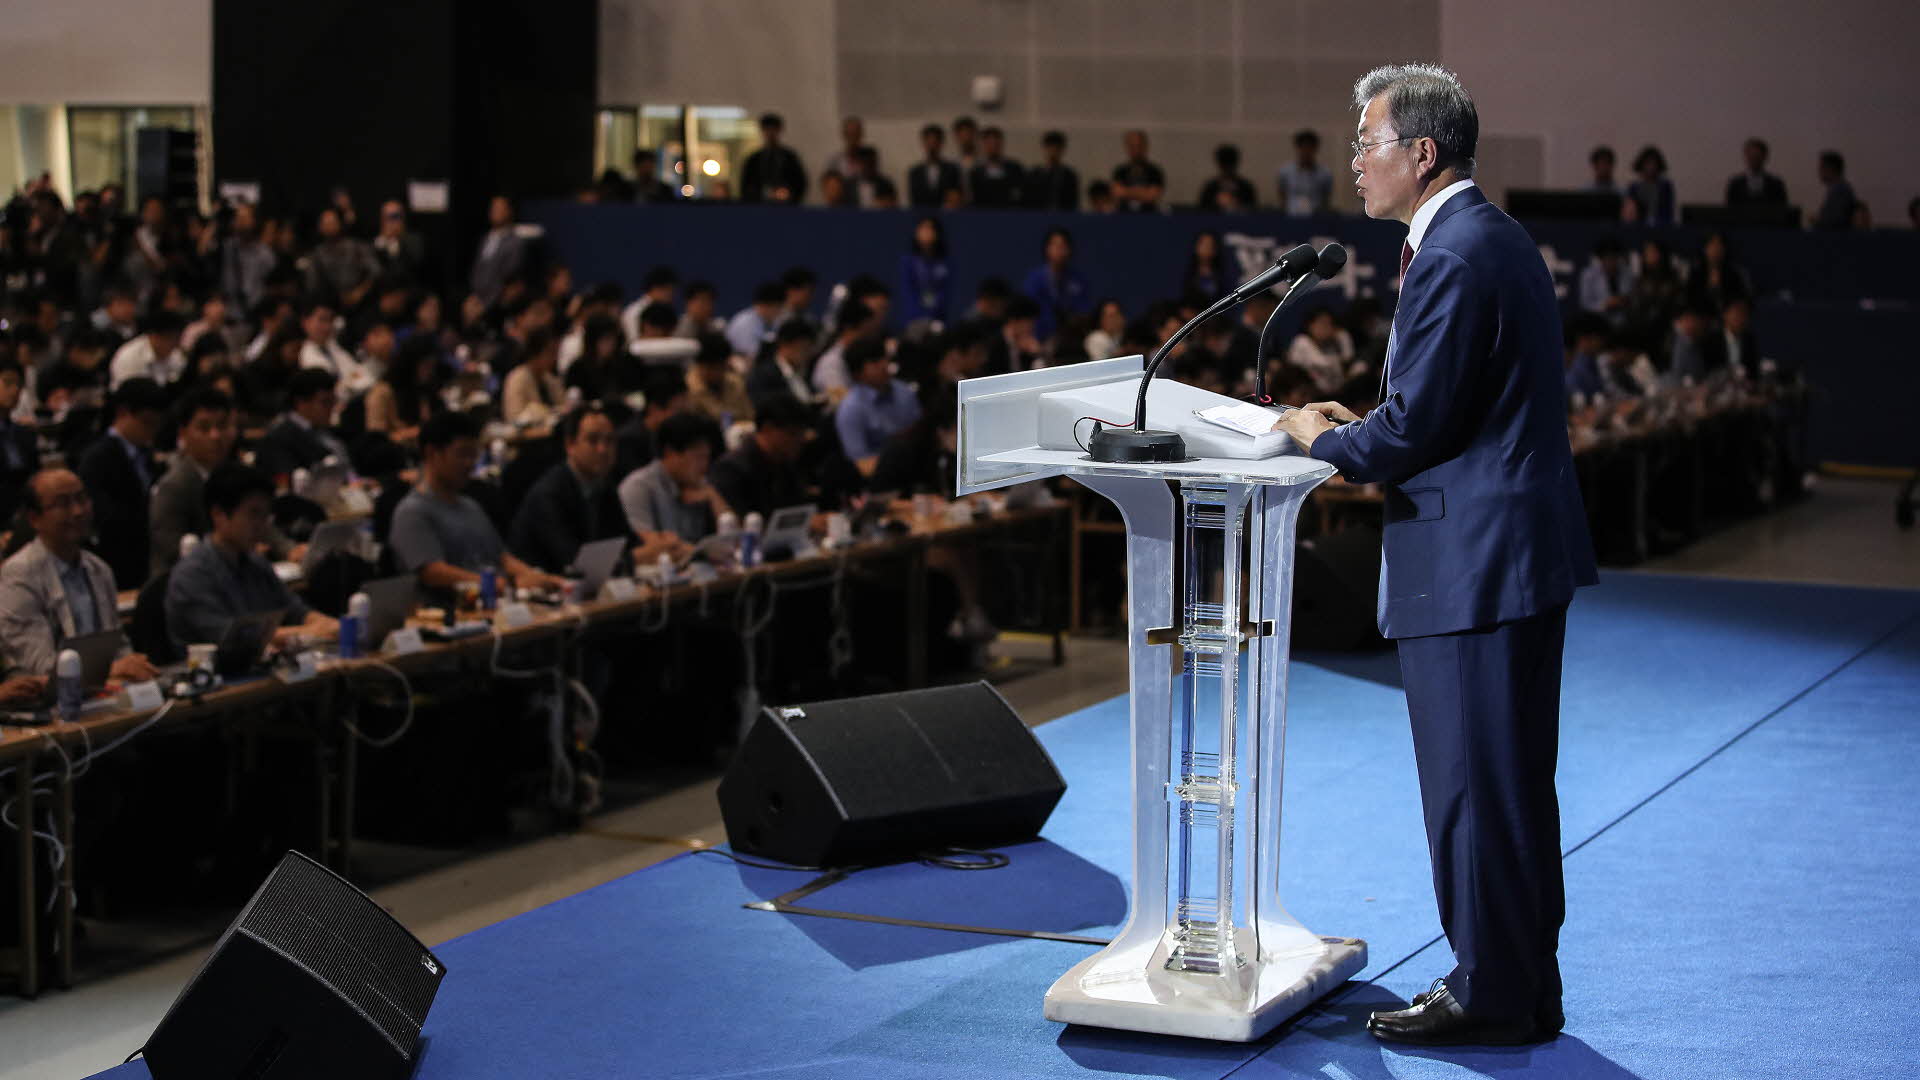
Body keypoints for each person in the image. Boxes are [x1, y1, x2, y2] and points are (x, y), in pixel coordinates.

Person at [1271, 63, 1596, 1047]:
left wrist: (1318, 438)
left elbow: (1413, 436)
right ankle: (1522, 985)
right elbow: (1452, 410)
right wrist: (1365, 422)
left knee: (1471, 789)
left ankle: (1489, 992)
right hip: (1507, 550)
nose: (1354, 164)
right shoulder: (1483, 238)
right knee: (1506, 786)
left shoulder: (1451, 253)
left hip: (1473, 562)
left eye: (1367, 144)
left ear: (1421, 153)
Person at [0, 468, 158, 682]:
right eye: (63, 503)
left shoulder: (98, 569)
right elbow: (40, 666)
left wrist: (134, 666)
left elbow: (117, 647)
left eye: (82, 499)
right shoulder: (19, 575)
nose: (77, 511)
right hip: (44, 705)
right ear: (35, 518)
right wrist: (112, 669)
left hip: (107, 694)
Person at [165, 463, 337, 652]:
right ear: (219, 515)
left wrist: (327, 624)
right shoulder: (192, 576)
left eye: (266, 515)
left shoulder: (256, 563)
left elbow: (295, 610)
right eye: (253, 514)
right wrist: (309, 631)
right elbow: (232, 639)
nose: (262, 525)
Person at [390, 412, 567, 591]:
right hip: (451, 610)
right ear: (432, 453)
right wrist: (503, 585)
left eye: (474, 454)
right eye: (462, 453)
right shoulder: (412, 512)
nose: (470, 463)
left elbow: (501, 558)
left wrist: (534, 576)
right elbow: (433, 573)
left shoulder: (470, 506)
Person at [508, 406, 632, 574]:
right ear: (570, 445)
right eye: (593, 440)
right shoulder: (549, 493)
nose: (603, 450)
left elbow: (626, 539)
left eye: (609, 441)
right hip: (543, 589)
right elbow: (573, 562)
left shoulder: (604, 484)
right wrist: (633, 557)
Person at [75, 377, 167, 589]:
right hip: (118, 560)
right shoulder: (97, 458)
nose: (151, 431)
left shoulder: (149, 455)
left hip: (148, 552)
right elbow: (101, 517)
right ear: (123, 413)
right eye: (146, 422)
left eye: (156, 424)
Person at [149, 387, 238, 579]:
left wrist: (288, 549)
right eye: (204, 428)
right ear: (183, 433)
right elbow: (171, 548)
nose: (215, 436)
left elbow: (263, 525)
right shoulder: (173, 486)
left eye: (222, 426)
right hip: (182, 584)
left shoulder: (236, 475)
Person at [619, 411, 730, 555]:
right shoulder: (638, 487)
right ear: (670, 453)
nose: (705, 466)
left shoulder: (700, 485)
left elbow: (732, 540)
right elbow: (653, 547)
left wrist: (713, 496)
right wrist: (703, 554)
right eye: (699, 457)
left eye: (707, 458)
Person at [708, 395, 813, 520]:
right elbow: (741, 524)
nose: (800, 440)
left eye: (802, 434)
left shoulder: (785, 462)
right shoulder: (730, 469)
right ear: (767, 429)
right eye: (792, 434)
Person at [835, 339, 921, 475]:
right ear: (857, 373)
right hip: (879, 479)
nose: (884, 365)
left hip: (917, 465)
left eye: (884, 358)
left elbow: (921, 431)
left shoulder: (904, 391)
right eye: (874, 362)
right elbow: (861, 464)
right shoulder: (850, 409)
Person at [254, 369, 350, 480]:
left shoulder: (328, 429)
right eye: (325, 402)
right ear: (301, 402)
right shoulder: (278, 439)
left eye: (333, 401)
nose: (331, 408)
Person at [1021, 228, 1091, 346]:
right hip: (1040, 338)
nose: (1059, 250)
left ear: (1069, 250)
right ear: (1047, 249)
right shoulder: (1034, 279)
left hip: (1070, 341)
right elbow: (1027, 314)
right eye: (1055, 245)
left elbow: (1083, 312)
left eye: (1063, 246)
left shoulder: (1078, 280)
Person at [304, 207, 380, 310]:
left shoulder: (357, 247)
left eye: (332, 223)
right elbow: (312, 286)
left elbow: (376, 271)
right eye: (326, 224)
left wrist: (360, 291)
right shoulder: (316, 255)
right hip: (331, 306)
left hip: (363, 302)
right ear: (320, 227)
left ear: (340, 224)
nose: (329, 227)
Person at [297, 299, 373, 396]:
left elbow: (354, 371)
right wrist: (349, 381)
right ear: (305, 322)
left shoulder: (333, 345)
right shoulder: (306, 356)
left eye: (330, 320)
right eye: (322, 320)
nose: (327, 326)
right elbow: (333, 389)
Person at [811, 300, 878, 403]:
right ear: (848, 328)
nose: (870, 337)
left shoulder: (867, 358)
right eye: (866, 331)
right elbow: (841, 403)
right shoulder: (831, 363)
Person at [0, 359, 41, 524]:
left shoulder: (24, 432)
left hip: (25, 514)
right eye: (8, 383)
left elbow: (35, 477)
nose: (15, 390)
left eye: (19, 384)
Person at [748, 319, 819, 411]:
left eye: (809, 349)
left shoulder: (805, 371)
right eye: (804, 348)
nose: (808, 354)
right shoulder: (763, 375)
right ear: (785, 345)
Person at [1286, 307, 1358, 396]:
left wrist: (1343, 338)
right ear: (1310, 325)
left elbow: (1347, 358)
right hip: (1302, 394)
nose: (1327, 328)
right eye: (1322, 323)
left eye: (1330, 324)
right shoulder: (1302, 341)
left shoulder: (1330, 347)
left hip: (1331, 395)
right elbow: (1322, 364)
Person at [470, 195, 528, 306]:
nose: (494, 212)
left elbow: (509, 276)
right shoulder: (485, 238)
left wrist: (489, 302)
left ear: (509, 211)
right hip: (477, 298)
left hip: (497, 301)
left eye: (499, 208)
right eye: (493, 208)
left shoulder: (515, 243)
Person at [685, 333, 755, 425]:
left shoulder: (735, 383)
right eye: (712, 368)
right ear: (700, 366)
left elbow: (750, 417)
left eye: (722, 367)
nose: (718, 373)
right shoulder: (687, 389)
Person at [107, 310, 186, 390]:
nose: (176, 344)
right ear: (154, 336)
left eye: (178, 339)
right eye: (172, 338)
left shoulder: (175, 354)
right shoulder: (129, 357)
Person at [502, 328, 564, 428]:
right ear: (535, 353)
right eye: (550, 352)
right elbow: (514, 418)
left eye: (556, 353)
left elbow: (563, 408)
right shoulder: (516, 378)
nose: (555, 358)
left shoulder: (551, 380)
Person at [740, 113, 808, 204]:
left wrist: (788, 193)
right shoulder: (754, 159)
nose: (770, 133)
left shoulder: (789, 157)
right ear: (762, 131)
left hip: (786, 206)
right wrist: (762, 194)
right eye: (767, 130)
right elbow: (746, 185)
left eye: (774, 129)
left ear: (779, 131)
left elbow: (800, 183)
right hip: (759, 206)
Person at [899, 216, 952, 329]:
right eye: (922, 228)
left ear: (937, 233)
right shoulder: (908, 262)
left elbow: (945, 292)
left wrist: (933, 317)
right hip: (913, 320)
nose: (926, 232)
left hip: (938, 319)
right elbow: (908, 292)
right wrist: (918, 317)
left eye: (930, 228)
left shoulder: (946, 263)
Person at [1276, 130, 1333, 215]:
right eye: (1303, 148)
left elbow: (1326, 198)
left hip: (1315, 217)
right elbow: (1282, 195)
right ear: (1298, 148)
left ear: (1315, 149)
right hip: (1291, 216)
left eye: (1309, 148)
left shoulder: (1324, 174)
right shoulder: (1286, 172)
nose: (1306, 152)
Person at [907, 124, 963, 209]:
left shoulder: (952, 170)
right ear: (923, 143)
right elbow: (914, 201)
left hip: (947, 216)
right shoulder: (915, 172)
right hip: (922, 217)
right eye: (928, 141)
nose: (932, 145)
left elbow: (955, 197)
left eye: (935, 141)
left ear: (941, 143)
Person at [372, 200, 427, 284]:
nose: (390, 222)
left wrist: (394, 242)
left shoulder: (414, 240)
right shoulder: (375, 242)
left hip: (408, 288)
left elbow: (414, 267)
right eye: (386, 217)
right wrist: (384, 240)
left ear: (403, 217)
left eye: (394, 216)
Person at [726, 281, 786, 360]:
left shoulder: (774, 321)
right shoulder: (745, 323)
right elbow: (751, 356)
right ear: (766, 305)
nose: (780, 312)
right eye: (778, 307)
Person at [1110, 130, 1166, 213]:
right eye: (1132, 146)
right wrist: (1142, 192)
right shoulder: (1120, 171)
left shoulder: (1154, 171)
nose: (1136, 150)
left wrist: (1127, 191)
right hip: (1123, 216)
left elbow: (1152, 195)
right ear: (1127, 147)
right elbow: (1117, 192)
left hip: (1149, 216)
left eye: (1138, 146)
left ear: (1145, 146)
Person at [968, 127, 1023, 208]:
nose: (993, 147)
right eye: (989, 143)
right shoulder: (976, 172)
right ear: (984, 145)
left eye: (995, 143)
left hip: (1009, 212)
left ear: (1001, 144)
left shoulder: (1014, 168)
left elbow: (1017, 194)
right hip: (983, 213)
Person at [1025, 131, 1079, 211]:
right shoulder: (1034, 174)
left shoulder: (1069, 176)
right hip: (1037, 216)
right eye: (1050, 148)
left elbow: (1072, 203)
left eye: (1057, 148)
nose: (1053, 152)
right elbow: (1028, 200)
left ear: (1062, 150)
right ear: (1044, 148)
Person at [1724, 138, 1786, 207]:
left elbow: (1783, 209)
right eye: (1751, 157)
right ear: (1746, 157)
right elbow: (1729, 210)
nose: (1754, 161)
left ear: (1764, 157)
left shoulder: (1776, 184)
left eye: (1757, 157)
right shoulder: (1735, 184)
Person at [1624, 145, 1675, 226]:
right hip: (1639, 228)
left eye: (1654, 163)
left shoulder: (1665, 187)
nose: (1651, 167)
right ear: (1641, 165)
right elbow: (1630, 214)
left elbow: (1668, 213)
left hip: (1661, 228)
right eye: (1647, 163)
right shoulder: (1634, 188)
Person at [1198, 144, 1257, 212]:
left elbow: (1253, 211)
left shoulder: (1246, 187)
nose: (1227, 167)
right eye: (1225, 163)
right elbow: (1201, 212)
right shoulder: (1210, 188)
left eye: (1230, 163)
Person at [1813, 151, 1858, 230]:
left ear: (1831, 168)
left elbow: (1836, 220)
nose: (1819, 171)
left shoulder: (1840, 190)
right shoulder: (1837, 189)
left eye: (1822, 167)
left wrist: (1819, 221)